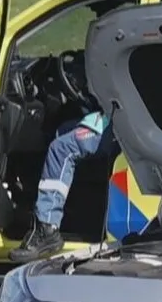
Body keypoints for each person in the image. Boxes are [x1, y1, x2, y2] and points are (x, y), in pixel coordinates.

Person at [11, 109, 120, 263]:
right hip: (115, 119)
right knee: (61, 131)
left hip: (120, 125)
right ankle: (62, 210)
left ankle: (47, 225)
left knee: (60, 148)